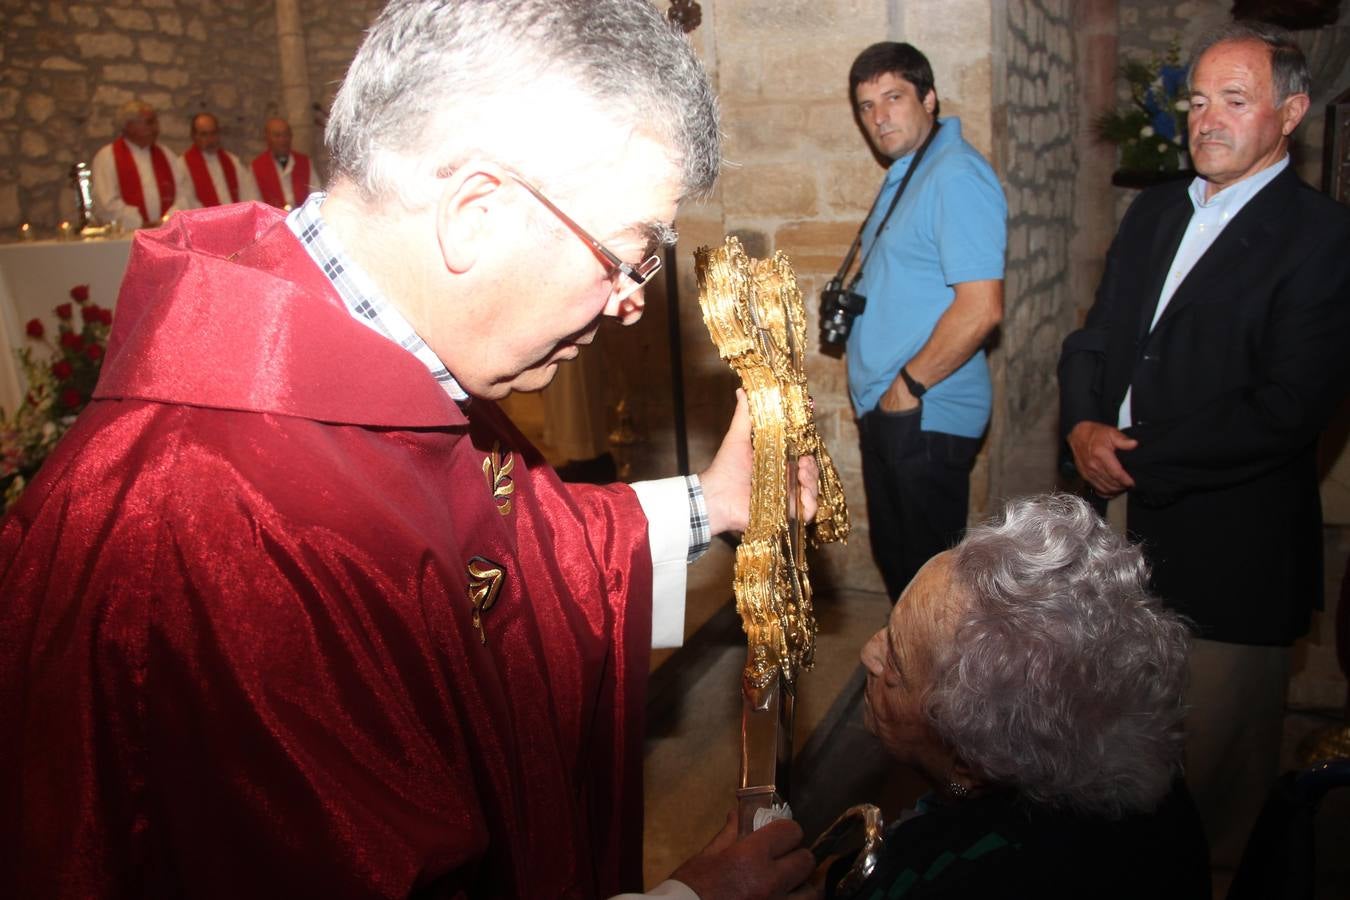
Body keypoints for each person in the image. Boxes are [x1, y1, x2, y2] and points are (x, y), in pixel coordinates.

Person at [0, 2, 819, 898]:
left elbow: (507, 559)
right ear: (474, 212)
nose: (630, 303)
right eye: (625, 257)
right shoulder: (230, 521)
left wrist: (717, 499)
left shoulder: (361, 364)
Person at [1058, 21, 1350, 868]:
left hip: (1229, 554)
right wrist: (1080, 424)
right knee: (1113, 761)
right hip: (1117, 531)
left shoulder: (1322, 239)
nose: (1207, 120)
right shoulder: (1155, 209)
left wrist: (1133, 453)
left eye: (1235, 100)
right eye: (1197, 101)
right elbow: (1098, 335)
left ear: (1290, 112)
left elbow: (1286, 409)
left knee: (1212, 791)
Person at [825, 493, 1210, 899]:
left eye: (896, 666)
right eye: (889, 627)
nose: (870, 651)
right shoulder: (1161, 790)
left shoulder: (966, 878)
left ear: (969, 763)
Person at [842, 42, 1007, 603]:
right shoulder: (913, 171)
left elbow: (982, 306)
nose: (879, 116)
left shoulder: (955, 174)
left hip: (924, 413)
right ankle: (912, 686)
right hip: (893, 411)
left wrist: (906, 387)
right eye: (866, 106)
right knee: (903, 574)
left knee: (930, 593)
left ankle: (940, 692)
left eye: (893, 97)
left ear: (929, 98)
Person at [90, 99, 195, 230]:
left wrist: (167, 220)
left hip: (166, 232)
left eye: (155, 122)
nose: (156, 128)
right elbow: (105, 203)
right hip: (127, 235)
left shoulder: (166, 154)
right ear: (129, 126)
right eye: (150, 122)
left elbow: (184, 194)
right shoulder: (108, 156)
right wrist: (139, 223)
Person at [183, 111, 260, 207]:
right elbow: (186, 201)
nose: (210, 139)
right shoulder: (183, 166)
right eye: (204, 134)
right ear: (194, 136)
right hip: (204, 220)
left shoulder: (232, 162)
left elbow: (248, 194)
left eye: (213, 133)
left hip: (234, 219)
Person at [251, 115, 321, 209]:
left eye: (286, 135)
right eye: (277, 135)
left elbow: (316, 194)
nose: (282, 140)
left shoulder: (305, 163)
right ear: (267, 138)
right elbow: (254, 203)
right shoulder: (257, 167)